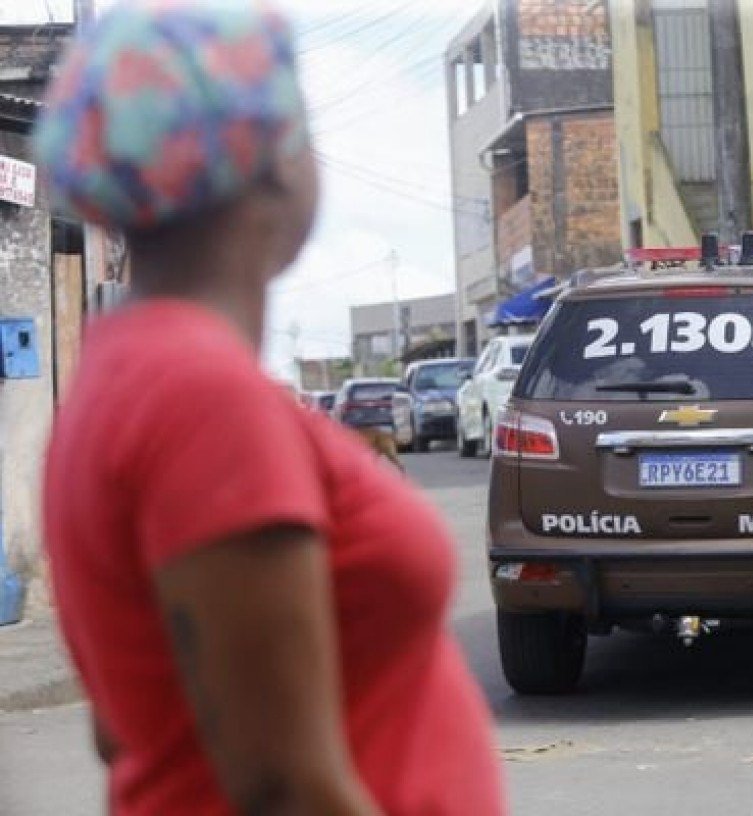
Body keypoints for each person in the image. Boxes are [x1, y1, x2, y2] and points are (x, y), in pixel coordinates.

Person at [36, 4, 503, 815]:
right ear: (269, 162)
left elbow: (124, 725)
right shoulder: (200, 398)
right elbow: (283, 788)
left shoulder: (122, 377)